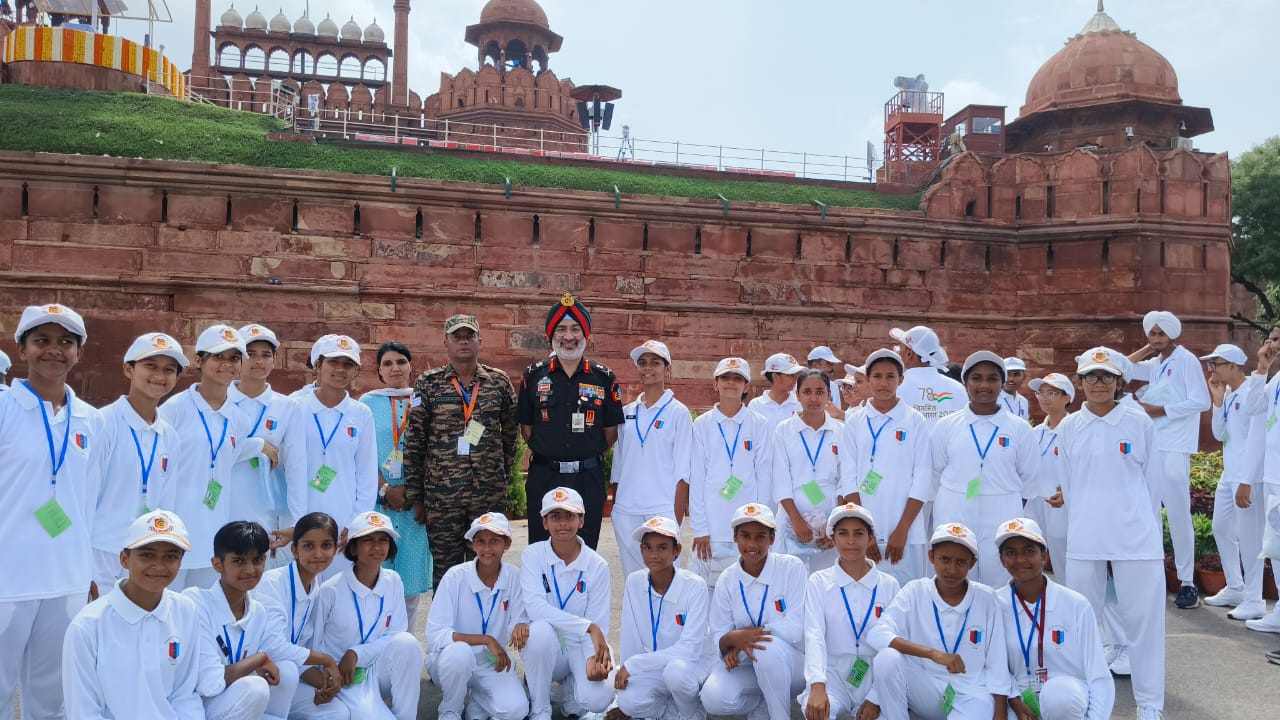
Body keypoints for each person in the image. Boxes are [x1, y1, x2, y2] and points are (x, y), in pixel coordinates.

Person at [0, 303, 105, 720]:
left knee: (53, 694)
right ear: (22, 348)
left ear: (79, 352)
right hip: (9, 575)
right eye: (41, 341)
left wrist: (91, 568)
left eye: (65, 342)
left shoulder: (91, 420)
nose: (54, 351)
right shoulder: (5, 408)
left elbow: (92, 499)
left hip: (67, 578)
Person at [1057, 347, 1165, 720]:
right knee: (1079, 625)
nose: (1098, 384)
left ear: (1119, 382)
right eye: (1091, 377)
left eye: (1106, 377)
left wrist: (1141, 526)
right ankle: (1082, 699)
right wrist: (1081, 525)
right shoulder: (1069, 427)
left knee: (1144, 625)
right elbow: (1069, 488)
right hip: (1085, 540)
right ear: (1081, 382)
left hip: (1136, 540)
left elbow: (1154, 485)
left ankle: (1150, 704)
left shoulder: (1139, 424)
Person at [404, 314, 518, 586]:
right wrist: (416, 496)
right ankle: (445, 627)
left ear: (480, 341)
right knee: (446, 572)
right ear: (446, 341)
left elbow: (511, 434)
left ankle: (485, 625)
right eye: (457, 336)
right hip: (442, 497)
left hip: (486, 495)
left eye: (469, 336)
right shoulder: (428, 383)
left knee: (488, 566)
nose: (463, 341)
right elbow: (414, 440)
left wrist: (500, 477)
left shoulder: (498, 382)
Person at [185, 521, 341, 720]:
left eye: (258, 560)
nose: (250, 570)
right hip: (200, 707)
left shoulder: (257, 611)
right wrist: (257, 660)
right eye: (239, 561)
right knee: (256, 687)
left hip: (236, 703)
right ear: (217, 564)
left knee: (287, 672)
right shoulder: (196, 602)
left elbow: (273, 654)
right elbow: (209, 683)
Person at [160, 324, 274, 589]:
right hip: (174, 530)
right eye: (218, 357)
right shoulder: (174, 410)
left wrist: (257, 445)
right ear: (199, 360)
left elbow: (227, 455)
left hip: (213, 533)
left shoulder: (239, 419)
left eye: (234, 358)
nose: (227, 364)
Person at [62, 510, 204, 719]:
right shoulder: (87, 626)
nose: (159, 566)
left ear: (181, 562)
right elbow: (84, 712)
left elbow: (184, 695)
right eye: (147, 555)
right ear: (124, 559)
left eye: (171, 556)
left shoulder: (186, 611)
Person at [867, 522, 1010, 720]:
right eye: (944, 559)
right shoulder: (915, 590)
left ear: (972, 564)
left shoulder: (987, 598)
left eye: (961, 562)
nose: (951, 569)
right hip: (925, 687)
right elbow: (877, 633)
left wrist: (1000, 712)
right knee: (886, 659)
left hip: (971, 693)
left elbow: (998, 661)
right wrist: (934, 654)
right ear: (931, 557)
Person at [516, 295, 624, 548]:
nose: (568, 336)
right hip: (545, 475)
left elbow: (610, 433)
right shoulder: (533, 376)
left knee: (585, 549)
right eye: (561, 329)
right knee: (541, 548)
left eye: (575, 328)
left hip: (587, 477)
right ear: (551, 335)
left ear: (586, 333)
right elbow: (527, 430)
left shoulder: (604, 378)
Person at [930, 351, 1038, 587]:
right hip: (955, 506)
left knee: (1000, 577)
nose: (984, 385)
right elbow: (936, 472)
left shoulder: (1019, 429)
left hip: (1003, 509)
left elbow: (1030, 477)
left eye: (992, 379)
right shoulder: (947, 426)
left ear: (1002, 383)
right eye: (976, 378)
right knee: (954, 576)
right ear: (965, 382)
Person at [1126, 310, 1211, 609]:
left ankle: (1187, 582)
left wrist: (1159, 410)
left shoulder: (1185, 360)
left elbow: (1202, 401)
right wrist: (1150, 348)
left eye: (1162, 334)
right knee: (1147, 513)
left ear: (1173, 334)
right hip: (1151, 445)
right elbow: (1123, 368)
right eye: (1153, 333)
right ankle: (1151, 577)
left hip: (1175, 446)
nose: (1157, 338)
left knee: (1177, 514)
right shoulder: (1157, 363)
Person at [993, 517, 1114, 720]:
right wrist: (1013, 700)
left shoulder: (1076, 604)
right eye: (1010, 553)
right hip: (1015, 699)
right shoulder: (994, 604)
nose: (1020, 559)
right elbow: (992, 667)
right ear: (1002, 560)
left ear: (1044, 556)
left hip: (1067, 696)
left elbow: (1099, 675)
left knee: (1059, 696)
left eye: (1029, 551)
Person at [93, 333, 185, 592]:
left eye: (169, 369)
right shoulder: (103, 423)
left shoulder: (170, 435)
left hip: (145, 555)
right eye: (151, 366)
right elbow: (85, 496)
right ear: (128, 369)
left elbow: (167, 503)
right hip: (101, 553)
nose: (160, 375)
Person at [311, 511, 422, 720]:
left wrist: (356, 653)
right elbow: (314, 644)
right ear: (353, 547)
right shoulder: (330, 590)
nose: (377, 547)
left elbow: (395, 635)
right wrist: (325, 679)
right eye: (368, 540)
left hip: (379, 670)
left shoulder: (393, 581)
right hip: (346, 679)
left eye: (383, 540)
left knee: (407, 643)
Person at [700, 503, 807, 720]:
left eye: (760, 536)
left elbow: (797, 629)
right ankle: (763, 704)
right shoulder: (727, 579)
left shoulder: (792, 568)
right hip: (746, 665)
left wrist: (744, 637)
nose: (752, 544)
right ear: (735, 537)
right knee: (713, 697)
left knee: (766, 649)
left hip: (791, 668)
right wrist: (731, 640)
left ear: (772, 538)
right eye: (745, 536)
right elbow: (718, 636)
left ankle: (779, 715)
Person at [520, 487, 615, 720]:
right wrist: (587, 626)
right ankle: (539, 708)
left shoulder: (597, 564)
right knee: (538, 631)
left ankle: (575, 683)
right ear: (544, 522)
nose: (563, 524)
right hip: (547, 645)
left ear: (581, 520)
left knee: (598, 700)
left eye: (570, 516)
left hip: (580, 643)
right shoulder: (532, 555)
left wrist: (595, 657)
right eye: (555, 517)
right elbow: (535, 608)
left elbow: (598, 624)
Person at [839, 349, 932, 586]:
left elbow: (922, 477)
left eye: (890, 376)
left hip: (905, 533)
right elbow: (848, 476)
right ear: (868, 379)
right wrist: (863, 530)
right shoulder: (855, 421)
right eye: (877, 376)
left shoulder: (914, 421)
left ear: (901, 380)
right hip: (863, 532)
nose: (883, 383)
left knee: (905, 595)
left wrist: (902, 530)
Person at [800, 503, 901, 720]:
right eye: (843, 534)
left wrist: (876, 697)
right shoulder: (819, 581)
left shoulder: (889, 585)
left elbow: (895, 642)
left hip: (876, 677)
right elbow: (814, 634)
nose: (851, 541)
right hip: (833, 675)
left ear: (870, 537)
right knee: (817, 713)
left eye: (859, 533)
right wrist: (817, 684)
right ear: (833, 538)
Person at [425, 512, 530, 720]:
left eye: (494, 541)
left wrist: (521, 625)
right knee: (459, 653)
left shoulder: (515, 577)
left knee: (516, 711)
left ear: (507, 544)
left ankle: (478, 703)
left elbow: (519, 622)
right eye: (480, 541)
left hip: (492, 661)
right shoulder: (455, 577)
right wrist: (486, 639)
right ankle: (450, 710)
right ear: (473, 545)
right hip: (450, 663)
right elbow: (435, 635)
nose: (487, 548)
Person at [287, 335, 377, 573]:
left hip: (343, 521)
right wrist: (298, 523)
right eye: (333, 363)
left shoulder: (361, 414)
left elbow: (366, 473)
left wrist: (356, 522)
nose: (340, 370)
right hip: (300, 513)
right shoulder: (294, 407)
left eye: (348, 365)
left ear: (356, 370)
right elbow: (289, 469)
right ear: (317, 365)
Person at [360, 341, 432, 621]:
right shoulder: (366, 404)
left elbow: (435, 449)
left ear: (411, 366)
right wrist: (385, 489)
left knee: (410, 588)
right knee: (376, 579)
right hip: (379, 503)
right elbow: (362, 453)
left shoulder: (424, 401)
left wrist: (418, 495)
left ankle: (406, 650)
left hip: (415, 507)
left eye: (401, 362)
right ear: (378, 370)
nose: (395, 368)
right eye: (387, 363)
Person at [689, 357, 775, 589]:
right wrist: (701, 529)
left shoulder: (760, 424)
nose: (730, 383)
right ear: (715, 384)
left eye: (737, 379)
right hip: (712, 529)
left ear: (746, 387)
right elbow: (697, 478)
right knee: (706, 592)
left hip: (748, 527)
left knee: (748, 588)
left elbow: (764, 475)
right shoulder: (702, 425)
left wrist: (759, 523)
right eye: (725, 378)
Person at [610, 340, 694, 576]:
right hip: (627, 510)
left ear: (667, 368)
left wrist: (676, 517)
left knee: (666, 579)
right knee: (634, 579)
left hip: (662, 508)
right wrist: (617, 505)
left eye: (655, 363)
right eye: (643, 363)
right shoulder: (627, 413)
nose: (648, 368)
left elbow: (683, 468)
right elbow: (619, 466)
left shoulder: (679, 412)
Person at [615, 515, 709, 720]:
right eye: (647, 547)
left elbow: (690, 649)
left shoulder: (695, 585)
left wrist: (635, 665)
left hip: (690, 666)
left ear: (677, 550)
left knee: (675, 673)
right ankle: (668, 710)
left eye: (662, 547)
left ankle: (690, 712)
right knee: (628, 701)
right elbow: (630, 635)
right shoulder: (635, 581)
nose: (653, 554)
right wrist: (626, 669)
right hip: (656, 665)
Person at [254, 512, 346, 719]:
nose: (318, 554)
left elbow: (297, 651)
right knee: (286, 670)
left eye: (326, 545)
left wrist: (324, 684)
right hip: (256, 679)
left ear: (335, 548)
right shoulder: (273, 584)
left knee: (337, 712)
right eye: (308, 546)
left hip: (287, 677)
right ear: (295, 550)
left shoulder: (314, 587)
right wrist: (327, 660)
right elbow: (274, 648)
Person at [1201, 343, 1267, 619]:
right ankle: (1236, 586)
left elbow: (1257, 439)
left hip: (1247, 477)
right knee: (1221, 528)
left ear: (1232, 366)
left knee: (1250, 537)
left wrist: (1247, 479)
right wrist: (1217, 401)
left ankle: (1255, 599)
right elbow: (1219, 434)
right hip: (1229, 474)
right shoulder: (1228, 394)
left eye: (1216, 364)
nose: (1212, 370)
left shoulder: (1255, 390)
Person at [229, 324, 305, 566]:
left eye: (266, 355)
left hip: (269, 509)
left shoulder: (287, 407)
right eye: (250, 353)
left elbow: (296, 466)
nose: (258, 361)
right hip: (224, 502)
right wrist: (257, 446)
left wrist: (297, 522)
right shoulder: (220, 402)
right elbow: (211, 453)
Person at [773, 368, 845, 570]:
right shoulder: (784, 430)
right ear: (797, 395)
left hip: (828, 527)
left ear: (829, 395)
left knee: (825, 584)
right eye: (807, 392)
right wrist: (796, 520)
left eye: (820, 392)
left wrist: (834, 524)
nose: (814, 398)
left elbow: (845, 480)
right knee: (791, 580)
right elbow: (780, 479)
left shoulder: (840, 431)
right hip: (792, 523)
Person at [1247, 325, 1280, 641]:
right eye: (1271, 338)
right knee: (1277, 549)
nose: (1272, 343)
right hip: (1273, 477)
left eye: (1278, 338)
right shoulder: (1276, 380)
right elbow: (1254, 407)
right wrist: (1261, 369)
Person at [1025, 373, 1074, 570]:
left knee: (1063, 557)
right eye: (1041, 393)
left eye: (1051, 393)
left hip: (1060, 503)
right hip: (1035, 502)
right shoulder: (1036, 433)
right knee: (1031, 553)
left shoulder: (1074, 430)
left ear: (1066, 397)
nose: (1044, 398)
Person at [889, 326, 967, 426]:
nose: (897, 351)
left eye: (900, 347)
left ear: (909, 353)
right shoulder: (958, 389)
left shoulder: (894, 388)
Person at [749, 352, 804, 429]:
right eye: (790, 375)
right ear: (775, 377)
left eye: (796, 375)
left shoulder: (800, 403)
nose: (795, 379)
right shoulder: (756, 405)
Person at [808, 346, 844, 411]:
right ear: (815, 365)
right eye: (828, 364)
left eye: (832, 365)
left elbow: (836, 415)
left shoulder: (833, 386)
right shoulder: (797, 387)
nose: (832, 369)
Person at [1000, 357, 1031, 422]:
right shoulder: (992, 400)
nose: (1011, 379)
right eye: (1007, 374)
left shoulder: (1024, 401)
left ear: (1024, 377)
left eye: (1016, 374)